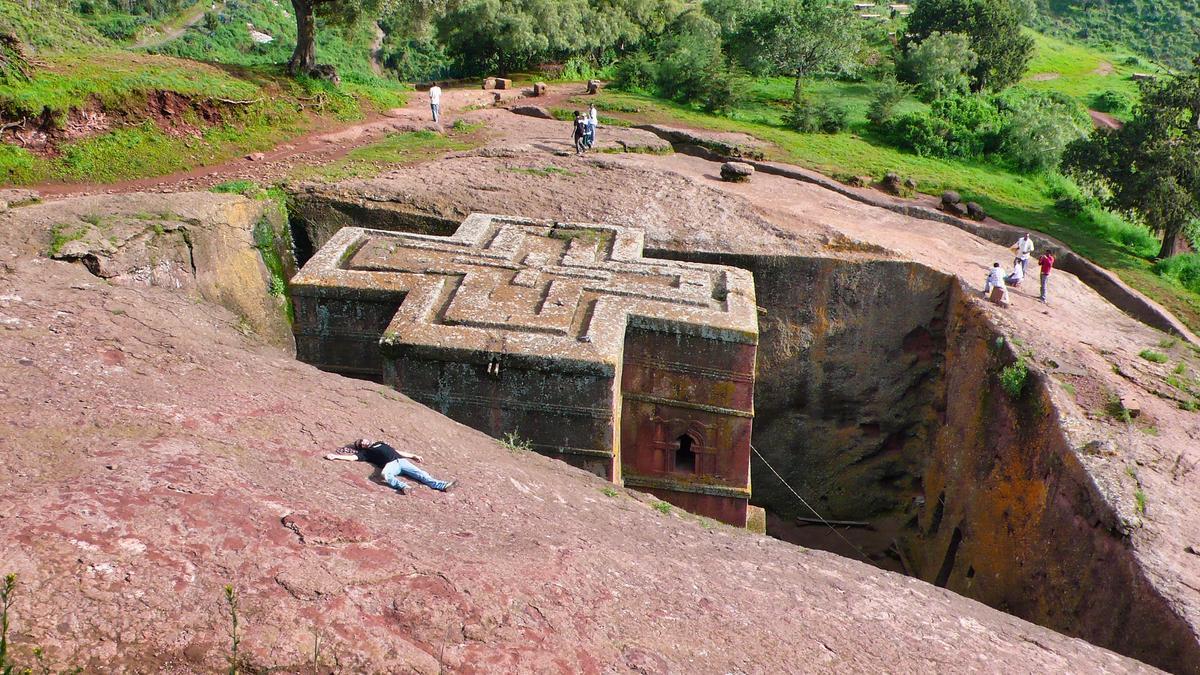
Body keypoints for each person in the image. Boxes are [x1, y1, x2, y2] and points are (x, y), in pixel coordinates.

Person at [326, 438, 455, 494]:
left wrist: (413, 455)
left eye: (363, 440)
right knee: (385, 474)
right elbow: (352, 458)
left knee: (421, 474)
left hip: (401, 460)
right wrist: (336, 456)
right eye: (360, 443)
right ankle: (404, 487)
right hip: (391, 465)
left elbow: (396, 451)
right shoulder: (366, 453)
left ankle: (442, 485)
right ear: (361, 447)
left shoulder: (380, 443)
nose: (363, 442)